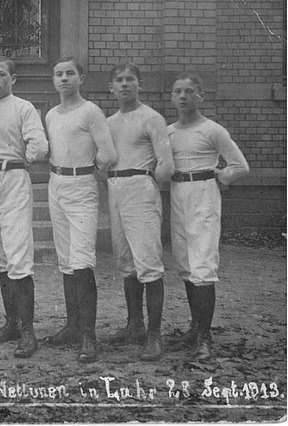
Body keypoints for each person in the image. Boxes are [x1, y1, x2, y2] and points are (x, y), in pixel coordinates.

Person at [168, 73, 249, 361]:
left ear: (200, 96)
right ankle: (194, 327)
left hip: (204, 195)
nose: (182, 96)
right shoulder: (169, 132)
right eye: (178, 91)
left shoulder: (213, 130)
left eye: (189, 91)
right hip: (178, 193)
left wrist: (220, 175)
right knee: (186, 264)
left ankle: (205, 337)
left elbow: (240, 166)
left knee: (202, 264)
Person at [42, 58, 117, 363]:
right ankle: (72, 327)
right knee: (65, 258)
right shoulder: (51, 114)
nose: (64, 79)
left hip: (82, 186)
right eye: (58, 74)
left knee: (82, 259)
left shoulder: (91, 111)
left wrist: (88, 171)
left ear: (81, 78)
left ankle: (89, 335)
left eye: (69, 73)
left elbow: (109, 154)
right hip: (56, 183)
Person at [0, 56, 48, 358]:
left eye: (1, 74)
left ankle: (29, 333)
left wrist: (24, 159)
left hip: (14, 176)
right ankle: (12, 323)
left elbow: (39, 146)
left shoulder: (23, 108)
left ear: (13, 78)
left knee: (18, 252)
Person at [104, 62, 174, 361]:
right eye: (118, 80)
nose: (124, 85)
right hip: (115, 188)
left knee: (148, 261)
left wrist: (147, 184)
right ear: (111, 87)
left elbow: (166, 165)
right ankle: (135, 325)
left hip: (141, 187)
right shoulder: (109, 122)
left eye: (130, 80)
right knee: (125, 260)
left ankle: (155, 336)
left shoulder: (152, 118)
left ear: (139, 84)